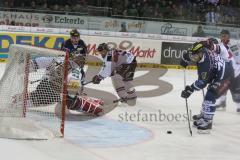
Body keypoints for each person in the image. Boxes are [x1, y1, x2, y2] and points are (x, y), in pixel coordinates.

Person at [13, 56, 104, 116]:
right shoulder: (76, 71)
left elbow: (37, 62)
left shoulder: (58, 58)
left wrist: (24, 67)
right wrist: (75, 95)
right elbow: (72, 92)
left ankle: (19, 98)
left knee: (39, 96)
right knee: (71, 101)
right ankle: (95, 109)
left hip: (44, 85)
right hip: (55, 92)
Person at [180, 42, 234, 133]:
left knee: (211, 94)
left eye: (194, 56)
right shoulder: (202, 51)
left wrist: (190, 89)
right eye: (191, 55)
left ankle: (208, 122)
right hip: (219, 72)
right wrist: (186, 58)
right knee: (209, 93)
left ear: (200, 53)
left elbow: (202, 83)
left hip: (225, 76)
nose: (193, 58)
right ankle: (204, 115)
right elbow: (195, 50)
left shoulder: (206, 64)